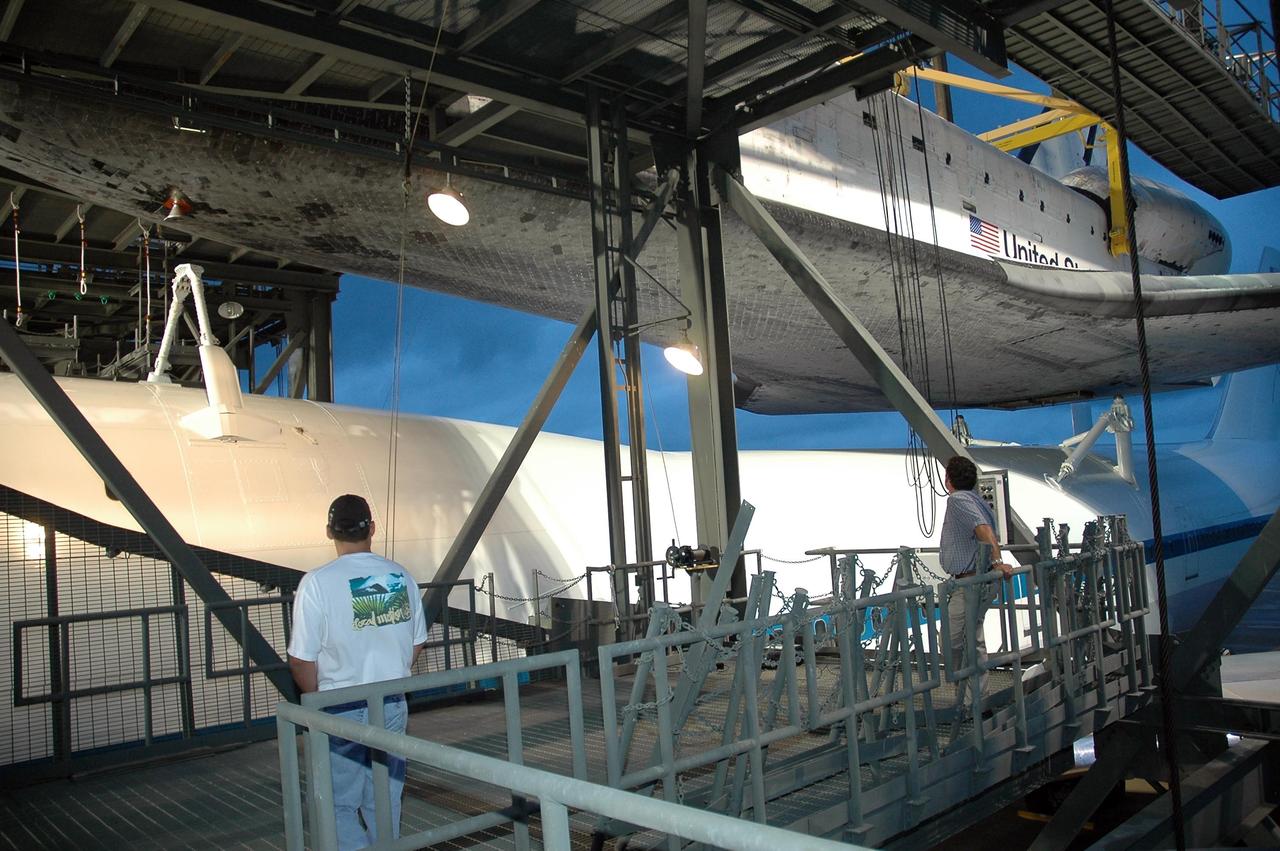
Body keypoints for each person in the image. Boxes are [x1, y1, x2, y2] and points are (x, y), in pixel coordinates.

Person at [287, 494, 427, 850]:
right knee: (385, 798)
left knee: (337, 803)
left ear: (330, 531)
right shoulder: (400, 576)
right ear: (373, 529)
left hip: (341, 707)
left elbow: (301, 660)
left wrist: (320, 700)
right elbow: (416, 645)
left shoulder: (317, 583)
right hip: (392, 703)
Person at [939, 456, 1012, 717]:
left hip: (968, 582)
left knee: (951, 640)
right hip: (975, 581)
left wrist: (997, 560)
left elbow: (982, 530)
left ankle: (966, 692)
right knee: (973, 641)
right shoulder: (977, 499)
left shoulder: (957, 500)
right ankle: (976, 700)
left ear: (949, 479)